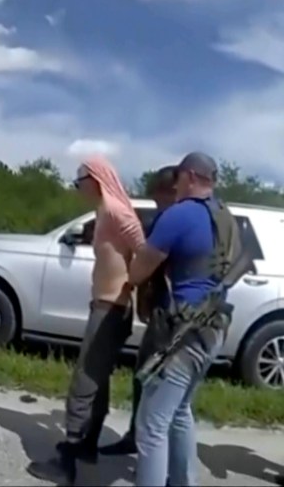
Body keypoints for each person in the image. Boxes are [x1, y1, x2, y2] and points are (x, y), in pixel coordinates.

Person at [27, 155, 145, 485]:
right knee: (98, 378)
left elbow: (146, 252)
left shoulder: (117, 212)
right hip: (107, 307)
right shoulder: (105, 212)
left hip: (111, 309)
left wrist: (131, 284)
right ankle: (88, 445)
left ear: (94, 179)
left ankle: (68, 459)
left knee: (84, 382)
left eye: (79, 182)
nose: (77, 188)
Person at [128, 152, 241, 487]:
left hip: (184, 333)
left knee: (151, 425)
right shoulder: (225, 217)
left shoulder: (179, 215)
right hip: (212, 328)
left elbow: (137, 272)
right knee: (179, 412)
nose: (174, 185)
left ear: (190, 176)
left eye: (178, 177)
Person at [99, 165, 178, 457]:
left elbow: (151, 264)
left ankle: (149, 444)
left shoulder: (173, 220)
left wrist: (135, 280)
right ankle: (143, 437)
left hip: (169, 313)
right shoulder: (173, 218)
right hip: (164, 308)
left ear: (172, 190)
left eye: (158, 192)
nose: (155, 198)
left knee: (154, 379)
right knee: (150, 378)